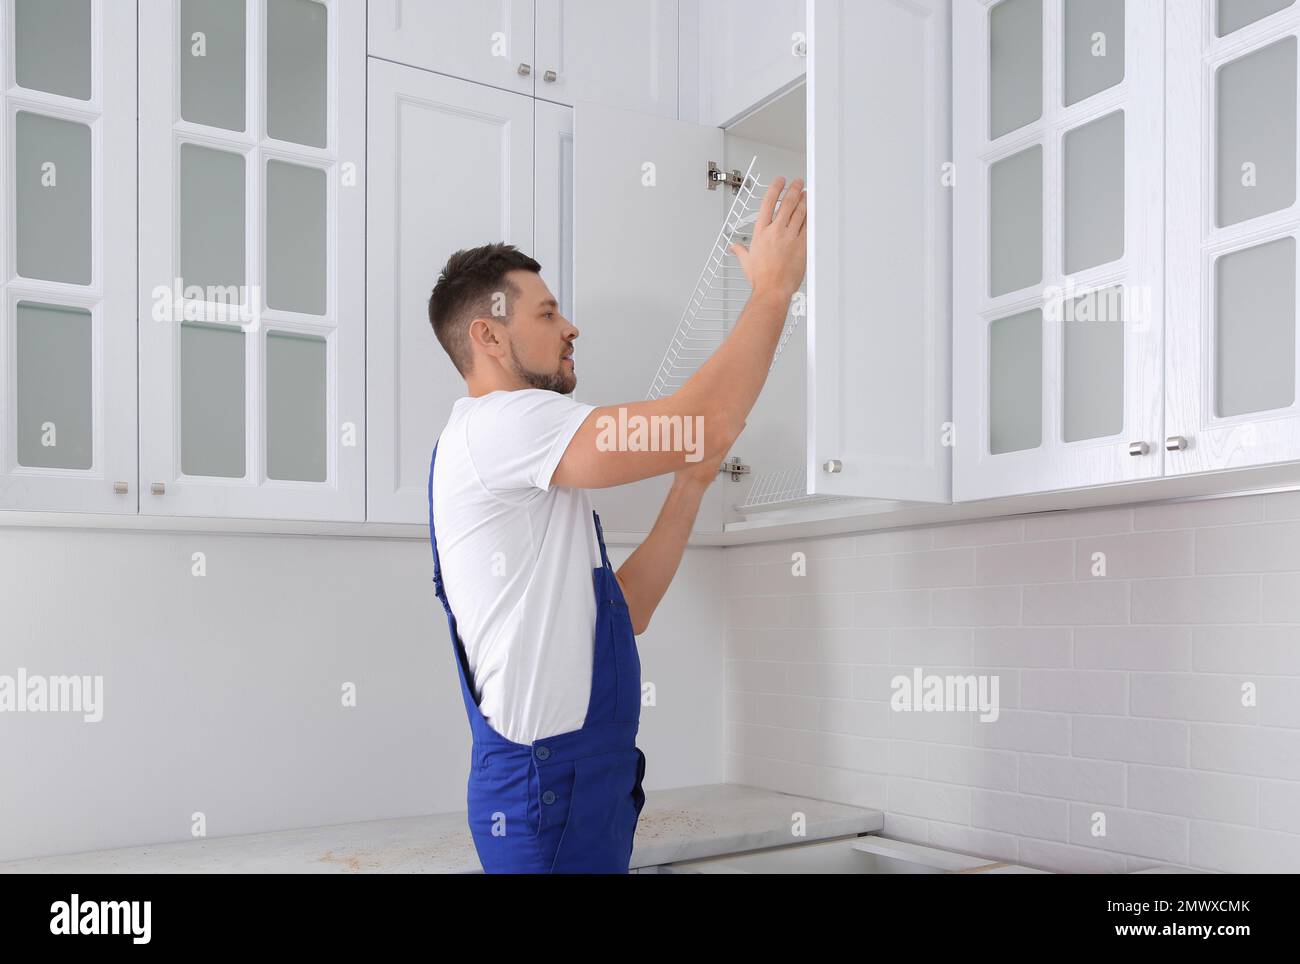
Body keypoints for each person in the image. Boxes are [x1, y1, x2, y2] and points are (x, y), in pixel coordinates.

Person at [426, 177, 808, 873]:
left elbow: (625, 611)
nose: (570, 327)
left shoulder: (525, 461)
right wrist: (774, 290)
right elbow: (707, 419)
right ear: (488, 333)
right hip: (546, 794)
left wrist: (690, 485)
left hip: (576, 790)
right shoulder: (503, 426)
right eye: (546, 315)